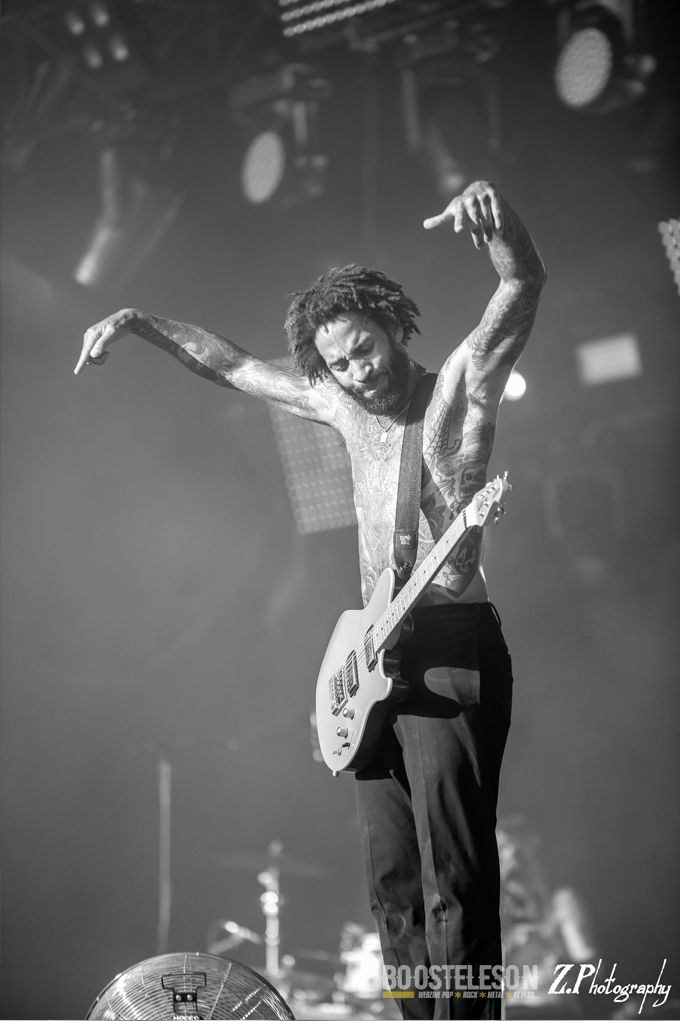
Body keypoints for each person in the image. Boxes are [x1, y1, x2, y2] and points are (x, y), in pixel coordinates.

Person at [75, 180, 546, 1019]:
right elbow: (233, 366)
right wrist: (142, 322)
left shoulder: (455, 389)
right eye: (341, 364)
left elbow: (520, 288)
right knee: (393, 882)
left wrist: (501, 227)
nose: (359, 373)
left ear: (392, 329)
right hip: (375, 660)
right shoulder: (338, 404)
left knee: (455, 870)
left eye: (366, 350)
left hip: (450, 646)